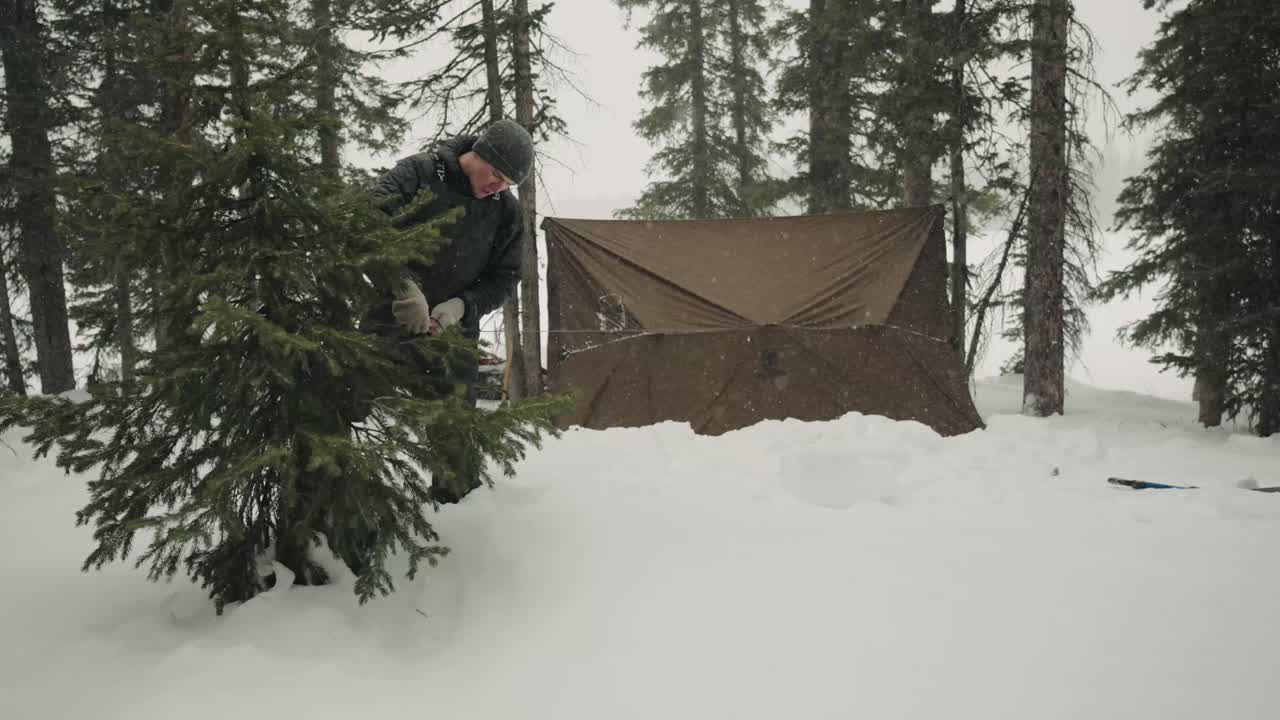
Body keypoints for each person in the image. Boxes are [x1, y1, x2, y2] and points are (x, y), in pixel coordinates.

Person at [367, 118, 534, 502]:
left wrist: (461, 306)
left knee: (455, 436)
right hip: (387, 319)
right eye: (494, 174)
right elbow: (366, 223)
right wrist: (402, 286)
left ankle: (459, 517)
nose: (497, 186)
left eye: (507, 183)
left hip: (452, 336)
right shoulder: (420, 172)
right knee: (342, 403)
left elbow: (506, 277)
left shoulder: (504, 213)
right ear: (476, 154)